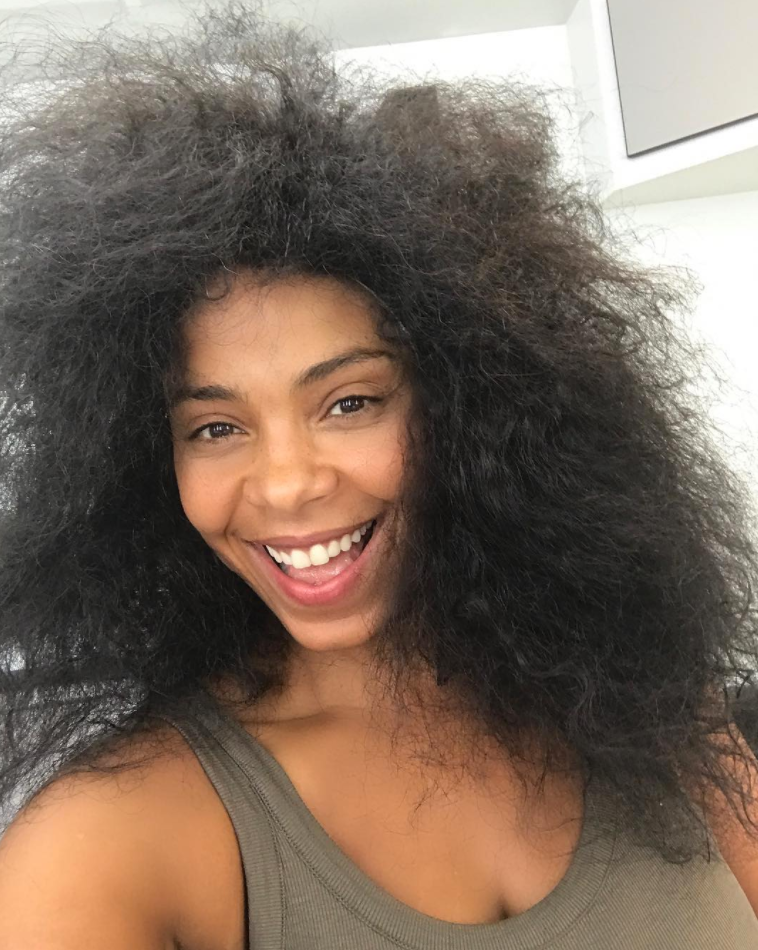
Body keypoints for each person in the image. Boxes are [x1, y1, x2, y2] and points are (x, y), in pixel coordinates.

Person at [0, 2, 757, 947]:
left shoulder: (645, 694)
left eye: (350, 402)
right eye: (216, 426)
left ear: (474, 406)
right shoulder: (104, 842)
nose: (285, 484)